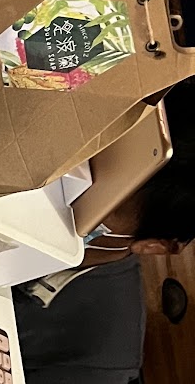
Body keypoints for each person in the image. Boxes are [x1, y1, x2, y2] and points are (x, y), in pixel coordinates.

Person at [13, 76, 195, 384]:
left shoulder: (101, 354)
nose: (73, 180)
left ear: (153, 245)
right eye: (92, 153)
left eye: (107, 196)